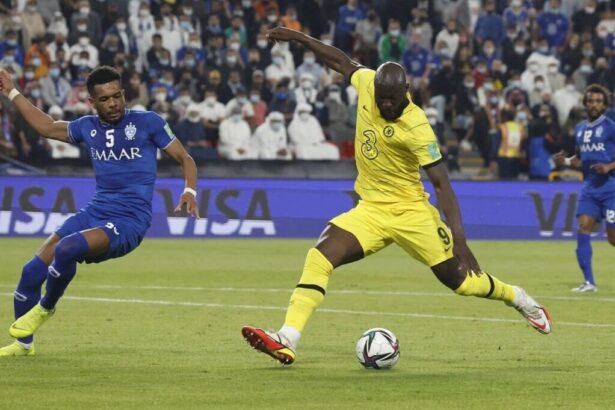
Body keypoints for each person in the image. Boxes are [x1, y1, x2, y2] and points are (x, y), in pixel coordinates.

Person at [241, 27, 552, 366]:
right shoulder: (368, 84)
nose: (385, 103)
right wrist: (299, 38)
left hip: (412, 213)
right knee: (320, 256)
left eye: (392, 98)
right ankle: (287, 338)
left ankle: (519, 298)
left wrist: (460, 239)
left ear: (407, 91)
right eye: (381, 97)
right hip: (371, 209)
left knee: (460, 282)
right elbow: (340, 60)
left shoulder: (417, 126)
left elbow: (442, 184)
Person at [0, 66, 199, 357]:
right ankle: (23, 345)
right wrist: (12, 92)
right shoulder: (86, 127)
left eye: (117, 96)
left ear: (123, 93)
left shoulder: (148, 123)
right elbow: (46, 126)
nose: (113, 103)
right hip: (96, 211)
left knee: (67, 249)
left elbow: (185, 158)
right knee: (31, 272)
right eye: (104, 99)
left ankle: (45, 308)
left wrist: (189, 190)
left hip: (130, 221)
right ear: (92, 102)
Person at [553, 84, 615, 293]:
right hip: (589, 188)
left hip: (611, 189)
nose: (594, 104)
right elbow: (582, 159)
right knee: (583, 227)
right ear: (585, 104)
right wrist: (566, 162)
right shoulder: (580, 128)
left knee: (612, 238)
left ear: (604, 105)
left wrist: (609, 166)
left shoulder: (610, 126)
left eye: (598, 101)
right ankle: (589, 282)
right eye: (590, 101)